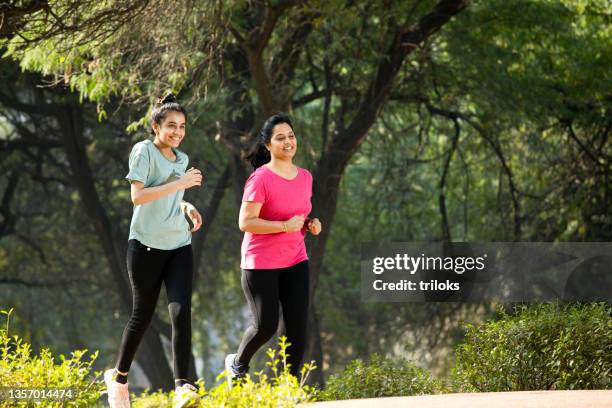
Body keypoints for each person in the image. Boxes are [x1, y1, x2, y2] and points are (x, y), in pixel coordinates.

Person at [104, 94, 203, 408]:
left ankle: (183, 386)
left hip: (178, 244)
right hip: (145, 246)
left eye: (182, 126)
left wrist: (186, 205)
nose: (177, 132)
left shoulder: (182, 159)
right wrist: (180, 185)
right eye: (171, 125)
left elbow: (169, 197)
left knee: (180, 310)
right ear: (155, 126)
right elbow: (138, 196)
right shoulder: (143, 150)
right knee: (142, 316)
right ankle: (119, 380)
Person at [225, 113, 322, 388]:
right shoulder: (260, 179)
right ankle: (237, 364)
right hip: (260, 263)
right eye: (280, 138)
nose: (288, 142)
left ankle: (290, 388)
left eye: (291, 136)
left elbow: (298, 218)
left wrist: (310, 225)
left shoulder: (305, 177)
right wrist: (283, 225)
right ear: (268, 145)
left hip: (295, 259)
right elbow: (245, 222)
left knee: (297, 327)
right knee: (265, 326)